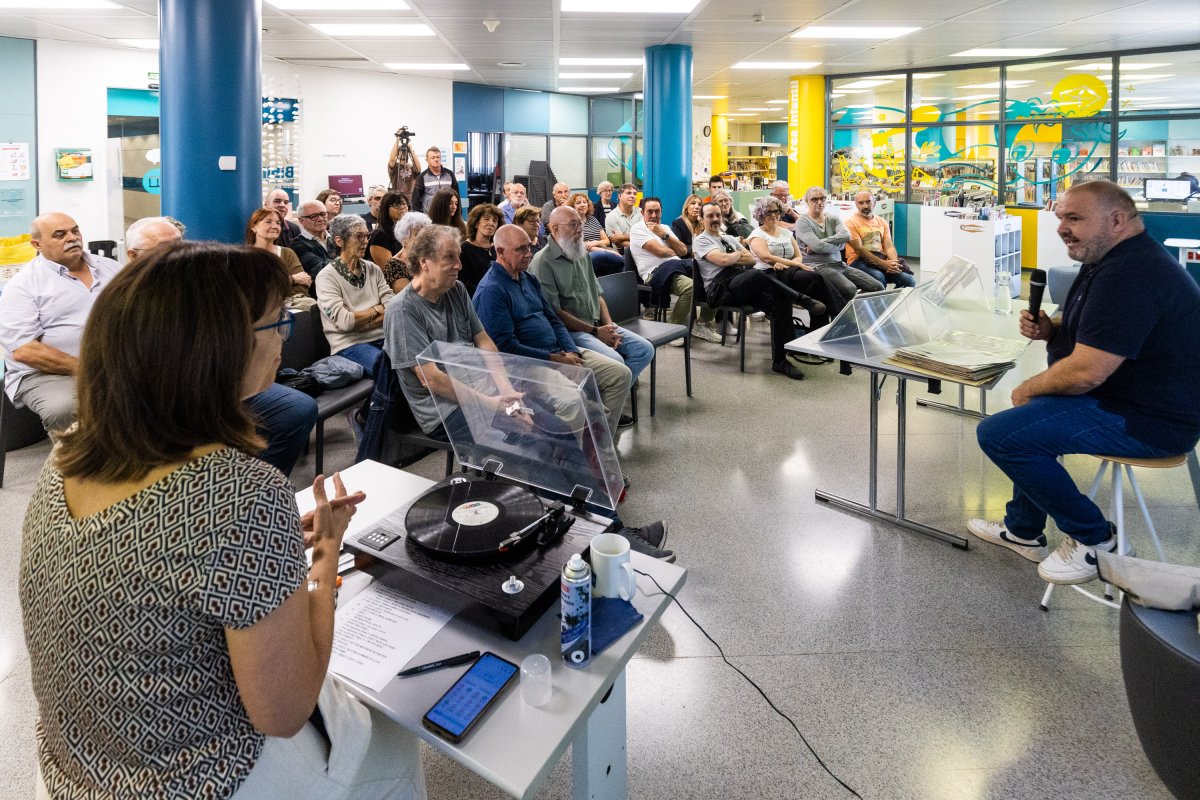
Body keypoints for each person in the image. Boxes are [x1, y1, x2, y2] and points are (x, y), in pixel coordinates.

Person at [20, 241, 426, 800]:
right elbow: (284, 710)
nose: (285, 336)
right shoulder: (237, 491)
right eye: (274, 323)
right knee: (393, 738)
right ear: (212, 349)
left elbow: (155, 574)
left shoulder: (66, 455)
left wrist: (266, 551)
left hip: (75, 767)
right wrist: (323, 560)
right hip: (198, 781)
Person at [379, 225, 670, 557]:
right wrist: (492, 403)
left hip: (489, 397)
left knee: (559, 432)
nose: (459, 265)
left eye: (459, 258)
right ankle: (610, 538)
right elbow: (433, 380)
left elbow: (485, 342)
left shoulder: (456, 292)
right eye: (450, 258)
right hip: (447, 410)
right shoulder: (402, 311)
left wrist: (505, 391)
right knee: (537, 446)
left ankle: (600, 526)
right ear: (424, 261)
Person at [969, 181, 1200, 585]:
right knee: (1030, 423)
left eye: (1074, 218)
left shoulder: (1133, 273)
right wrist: (1051, 328)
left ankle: (1096, 541)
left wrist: (1029, 387)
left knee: (1003, 434)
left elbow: (1086, 372)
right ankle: (1023, 530)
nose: (1062, 227)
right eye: (1060, 217)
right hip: (1123, 398)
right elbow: (1099, 330)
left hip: (1150, 421)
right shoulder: (1109, 260)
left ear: (1116, 220)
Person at [473, 224, 633, 437]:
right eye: (521, 249)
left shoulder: (527, 278)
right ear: (500, 252)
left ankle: (600, 447)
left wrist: (571, 352)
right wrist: (556, 360)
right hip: (527, 364)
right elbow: (505, 347)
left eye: (529, 247)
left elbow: (553, 318)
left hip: (558, 351)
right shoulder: (492, 290)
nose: (529, 254)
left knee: (620, 374)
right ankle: (571, 458)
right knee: (573, 400)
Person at [0, 212, 120, 435]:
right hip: (48, 373)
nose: (72, 238)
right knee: (65, 408)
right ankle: (80, 467)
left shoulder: (111, 268)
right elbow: (26, 351)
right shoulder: (23, 285)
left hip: (114, 363)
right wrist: (89, 368)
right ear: (37, 244)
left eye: (75, 231)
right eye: (60, 235)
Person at [532, 205, 655, 410]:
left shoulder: (580, 253)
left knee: (644, 350)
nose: (580, 229)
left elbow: (597, 294)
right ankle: (600, 409)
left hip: (597, 325)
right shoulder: (543, 262)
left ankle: (604, 404)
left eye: (580, 223)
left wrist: (609, 325)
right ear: (555, 229)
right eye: (573, 225)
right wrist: (596, 332)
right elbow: (555, 313)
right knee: (616, 360)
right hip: (573, 333)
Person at [693, 202, 805, 380]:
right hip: (719, 289)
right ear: (701, 218)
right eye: (710, 216)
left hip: (739, 284)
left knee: (779, 302)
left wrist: (733, 257)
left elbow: (751, 259)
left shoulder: (728, 238)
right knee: (755, 275)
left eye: (717, 215)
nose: (715, 219)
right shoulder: (701, 240)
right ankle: (801, 298)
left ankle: (780, 361)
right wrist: (737, 254)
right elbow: (722, 261)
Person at [629, 197, 720, 340]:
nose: (654, 215)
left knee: (715, 279)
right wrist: (674, 248)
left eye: (657, 211)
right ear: (642, 212)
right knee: (691, 288)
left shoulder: (665, 228)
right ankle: (672, 329)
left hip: (677, 267)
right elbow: (660, 251)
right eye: (650, 212)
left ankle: (702, 323)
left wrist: (664, 235)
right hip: (655, 272)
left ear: (661, 212)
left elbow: (684, 250)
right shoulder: (637, 229)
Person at [315, 214, 394, 374]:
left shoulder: (373, 269)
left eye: (367, 235)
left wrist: (359, 321)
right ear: (339, 241)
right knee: (387, 371)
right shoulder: (326, 277)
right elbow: (345, 322)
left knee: (415, 358)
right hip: (349, 344)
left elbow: (392, 308)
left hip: (382, 337)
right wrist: (377, 309)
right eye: (359, 236)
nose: (365, 241)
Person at [745, 196, 831, 330]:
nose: (773, 215)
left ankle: (819, 329)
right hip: (768, 275)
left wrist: (789, 265)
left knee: (817, 282)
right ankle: (835, 312)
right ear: (761, 214)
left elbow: (798, 256)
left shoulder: (785, 232)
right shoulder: (756, 234)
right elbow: (767, 258)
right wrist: (795, 265)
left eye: (776, 211)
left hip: (787, 271)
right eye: (769, 212)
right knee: (815, 278)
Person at [794, 186, 882, 314]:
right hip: (818, 266)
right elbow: (818, 247)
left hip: (840, 264)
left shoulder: (832, 218)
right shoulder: (803, 221)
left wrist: (823, 242)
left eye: (822, 198)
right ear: (807, 201)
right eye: (814, 199)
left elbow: (846, 237)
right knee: (849, 289)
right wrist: (836, 243)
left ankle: (857, 313)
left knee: (877, 287)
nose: (819, 202)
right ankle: (846, 318)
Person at [246, 208, 315, 309]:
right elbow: (253, 289)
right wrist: (293, 279)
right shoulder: (245, 256)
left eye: (278, 223)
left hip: (292, 306)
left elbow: (303, 285)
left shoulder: (287, 253)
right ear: (253, 227)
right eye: (268, 222)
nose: (274, 226)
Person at [845, 191, 916, 288]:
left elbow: (889, 246)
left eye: (868, 202)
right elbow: (859, 250)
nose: (865, 206)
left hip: (880, 258)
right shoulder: (850, 223)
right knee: (879, 278)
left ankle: (892, 303)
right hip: (858, 261)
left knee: (909, 281)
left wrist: (894, 263)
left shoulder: (881, 221)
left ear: (874, 203)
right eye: (861, 203)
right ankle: (878, 302)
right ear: (856, 204)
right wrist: (884, 264)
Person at [570, 192, 624, 276]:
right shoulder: (571, 223)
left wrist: (595, 242)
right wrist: (604, 250)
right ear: (572, 207)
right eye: (578, 203)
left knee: (616, 264)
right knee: (610, 257)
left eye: (584, 202)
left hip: (602, 251)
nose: (582, 205)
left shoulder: (592, 219)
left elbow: (606, 241)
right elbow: (580, 246)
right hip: (586, 255)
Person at [460, 202, 503, 295]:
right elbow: (464, 284)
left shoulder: (498, 247)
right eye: (486, 219)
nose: (491, 223)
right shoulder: (463, 249)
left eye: (495, 221)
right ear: (476, 224)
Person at [292, 200, 338, 280]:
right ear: (301, 221)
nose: (320, 219)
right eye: (313, 216)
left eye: (323, 214)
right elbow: (320, 270)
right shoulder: (298, 245)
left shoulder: (336, 237)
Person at [368, 192, 409, 268]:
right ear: (386, 209)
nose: (402, 207)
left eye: (404, 203)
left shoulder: (407, 231)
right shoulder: (379, 236)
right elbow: (389, 269)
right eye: (396, 205)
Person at [410, 145, 454, 212]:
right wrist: (421, 217)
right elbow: (414, 201)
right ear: (427, 160)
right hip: (429, 217)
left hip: (448, 215)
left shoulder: (450, 174)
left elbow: (457, 196)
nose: (436, 159)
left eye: (438, 157)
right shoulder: (422, 177)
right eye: (433, 158)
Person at [603, 183, 642, 253]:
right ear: (620, 196)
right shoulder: (611, 217)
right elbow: (619, 243)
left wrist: (622, 237)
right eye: (629, 193)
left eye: (635, 194)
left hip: (644, 254)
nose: (633, 196)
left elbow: (646, 235)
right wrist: (643, 245)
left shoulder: (641, 212)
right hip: (623, 255)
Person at [388, 130, 422, 197]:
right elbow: (392, 159)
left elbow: (418, 169)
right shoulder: (395, 167)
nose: (403, 153)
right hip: (397, 198)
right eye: (401, 151)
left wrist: (411, 150)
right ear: (397, 155)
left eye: (404, 151)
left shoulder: (412, 167)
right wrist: (397, 139)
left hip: (411, 199)